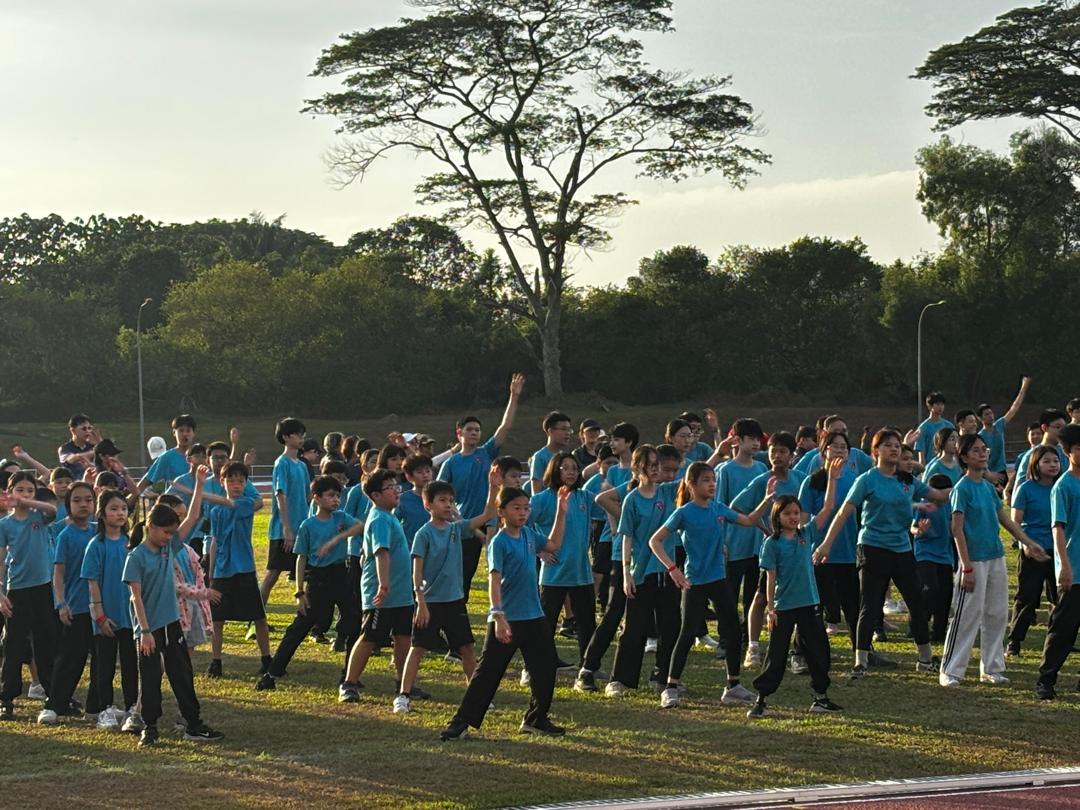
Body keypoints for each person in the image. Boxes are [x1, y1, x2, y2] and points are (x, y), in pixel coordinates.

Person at [814, 429, 951, 679]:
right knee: (870, 605)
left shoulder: (907, 481)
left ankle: (925, 659)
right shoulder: (867, 479)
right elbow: (844, 512)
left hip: (902, 549)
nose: (895, 449)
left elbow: (939, 497)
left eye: (897, 445)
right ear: (875, 452)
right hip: (872, 548)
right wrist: (826, 544)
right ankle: (861, 662)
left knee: (917, 604)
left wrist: (970, 480)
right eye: (888, 445)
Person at [439, 485, 571, 741]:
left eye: (526, 508)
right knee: (488, 673)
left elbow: (553, 545)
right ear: (501, 512)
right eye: (516, 508)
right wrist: (498, 615)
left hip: (534, 616)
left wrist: (561, 513)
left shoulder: (530, 536)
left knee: (545, 669)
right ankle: (461, 722)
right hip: (507, 619)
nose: (522, 513)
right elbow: (494, 579)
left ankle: (536, 719)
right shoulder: (498, 542)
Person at [646, 462, 776, 709]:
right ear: (692, 485)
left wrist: (767, 500)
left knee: (733, 631)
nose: (712, 484)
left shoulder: (718, 509)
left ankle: (733, 685)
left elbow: (748, 521)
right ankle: (671, 687)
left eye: (713, 479)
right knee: (687, 633)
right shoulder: (683, 512)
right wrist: (673, 570)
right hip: (695, 581)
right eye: (706, 480)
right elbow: (655, 541)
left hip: (718, 579)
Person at [940, 434, 1049, 687]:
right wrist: (966, 566)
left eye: (984, 450)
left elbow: (1007, 521)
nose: (983, 454)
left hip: (995, 558)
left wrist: (1030, 543)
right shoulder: (962, 488)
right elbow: (957, 529)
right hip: (973, 561)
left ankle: (992, 668)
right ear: (965, 457)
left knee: (996, 614)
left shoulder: (988, 488)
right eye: (976, 451)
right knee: (967, 615)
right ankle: (951, 670)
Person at [394, 469, 501, 714]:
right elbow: (416, 572)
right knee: (418, 648)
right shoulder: (424, 534)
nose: (448, 505)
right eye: (442, 500)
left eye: (451, 500)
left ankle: (477, 696)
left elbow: (487, 514)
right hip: (430, 602)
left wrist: (493, 488)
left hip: (454, 602)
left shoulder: (456, 529)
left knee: (466, 649)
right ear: (427, 504)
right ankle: (403, 694)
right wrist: (420, 602)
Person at [124, 497, 224, 747]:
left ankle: (193, 723)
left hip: (172, 623)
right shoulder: (136, 558)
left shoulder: (168, 549)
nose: (170, 537)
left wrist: (199, 485)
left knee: (182, 674)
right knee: (149, 678)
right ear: (151, 527)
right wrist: (145, 631)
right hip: (149, 628)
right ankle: (150, 727)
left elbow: (191, 518)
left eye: (172, 533)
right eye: (166, 532)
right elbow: (136, 597)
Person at [748, 462, 843, 720]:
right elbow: (770, 577)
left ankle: (821, 698)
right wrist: (771, 609)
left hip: (809, 603)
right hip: (784, 607)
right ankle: (762, 699)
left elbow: (828, 509)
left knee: (818, 650)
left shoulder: (806, 534)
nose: (793, 517)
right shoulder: (772, 543)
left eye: (796, 512)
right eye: (787, 513)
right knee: (776, 655)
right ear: (777, 516)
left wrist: (832, 480)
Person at [257, 476, 363, 692]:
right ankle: (273, 672)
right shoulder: (308, 525)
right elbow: (301, 558)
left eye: (338, 496)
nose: (336, 500)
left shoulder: (341, 518)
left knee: (354, 622)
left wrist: (335, 540)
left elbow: (360, 526)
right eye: (330, 496)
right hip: (319, 579)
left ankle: (350, 675)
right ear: (317, 498)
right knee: (300, 627)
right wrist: (299, 591)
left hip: (341, 575)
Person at [602, 445, 681, 696]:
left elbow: (692, 479)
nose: (656, 469)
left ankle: (663, 676)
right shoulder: (632, 499)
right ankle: (620, 679)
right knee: (634, 627)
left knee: (670, 626)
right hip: (641, 572)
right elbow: (626, 537)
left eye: (658, 464)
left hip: (668, 571)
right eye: (651, 465)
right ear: (638, 468)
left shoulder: (668, 492)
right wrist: (626, 574)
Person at [731, 431, 806, 669]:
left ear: (792, 455)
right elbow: (737, 508)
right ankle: (753, 647)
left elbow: (810, 509)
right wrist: (765, 528)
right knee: (762, 596)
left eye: (782, 451)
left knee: (797, 598)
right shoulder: (763, 480)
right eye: (773, 451)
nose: (777, 456)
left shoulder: (800, 480)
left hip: (798, 551)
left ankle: (797, 651)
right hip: (772, 550)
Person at [339, 469, 415, 703]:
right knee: (370, 636)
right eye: (389, 488)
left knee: (403, 637)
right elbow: (382, 553)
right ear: (375, 495)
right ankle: (349, 684)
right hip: (383, 593)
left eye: (396, 486)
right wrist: (383, 585)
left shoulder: (389, 516)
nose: (395, 491)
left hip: (400, 592)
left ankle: (404, 684)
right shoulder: (380, 518)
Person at [528, 453, 594, 678]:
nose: (571, 472)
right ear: (554, 471)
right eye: (565, 468)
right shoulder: (542, 498)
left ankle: (588, 666)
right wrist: (539, 550)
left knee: (587, 623)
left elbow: (608, 505)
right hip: (554, 573)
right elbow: (522, 525)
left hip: (581, 572)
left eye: (575, 468)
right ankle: (535, 667)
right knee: (545, 624)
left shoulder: (583, 497)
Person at [38, 482, 99, 725]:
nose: (83, 504)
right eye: (77, 500)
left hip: (102, 609)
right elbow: (59, 574)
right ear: (68, 505)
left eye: (88, 499)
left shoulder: (100, 532)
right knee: (70, 659)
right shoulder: (65, 536)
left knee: (101, 661)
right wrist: (61, 603)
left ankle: (97, 707)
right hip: (77, 607)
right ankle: (55, 704)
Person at [0, 472, 58, 721]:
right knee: (14, 644)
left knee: (45, 642)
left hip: (42, 589)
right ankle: (7, 698)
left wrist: (29, 502)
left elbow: (52, 509)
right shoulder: (5, 524)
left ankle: (53, 694)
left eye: (29, 490)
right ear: (9, 492)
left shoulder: (40, 517)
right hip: (18, 590)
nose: (24, 495)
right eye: (19, 490)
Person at [205, 461, 270, 678]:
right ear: (222, 482)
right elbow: (214, 540)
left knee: (259, 617)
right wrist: (211, 572)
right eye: (230, 480)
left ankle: (266, 659)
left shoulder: (246, 503)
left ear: (246, 484)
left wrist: (198, 492)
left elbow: (247, 503)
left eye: (240, 481)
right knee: (217, 620)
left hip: (245, 569)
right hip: (223, 570)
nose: (235, 484)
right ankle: (216, 661)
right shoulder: (215, 511)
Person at [81, 489, 137, 729]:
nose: (120, 513)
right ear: (102, 514)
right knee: (104, 667)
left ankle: (133, 707)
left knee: (130, 666)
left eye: (123, 508)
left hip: (131, 617)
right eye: (114, 509)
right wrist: (100, 617)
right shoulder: (96, 545)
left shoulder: (132, 542)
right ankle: (105, 709)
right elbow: (92, 583)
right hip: (106, 618)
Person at [715, 418, 768, 659]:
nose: (756, 444)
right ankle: (726, 639)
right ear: (738, 440)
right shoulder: (725, 470)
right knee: (728, 595)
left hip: (756, 542)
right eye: (751, 439)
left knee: (753, 595)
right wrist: (721, 541)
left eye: (759, 439)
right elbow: (719, 507)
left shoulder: (761, 470)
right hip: (732, 543)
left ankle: (749, 639)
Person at [799, 431, 859, 646]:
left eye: (844, 447)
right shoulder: (811, 482)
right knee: (813, 608)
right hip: (819, 554)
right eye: (834, 446)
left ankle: (862, 651)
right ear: (824, 452)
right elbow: (802, 521)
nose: (840, 450)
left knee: (853, 607)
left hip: (848, 553)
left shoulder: (855, 480)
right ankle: (802, 653)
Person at [1035, 423, 1080, 700]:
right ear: (1069, 452)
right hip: (1074, 568)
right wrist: (1063, 565)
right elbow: (1058, 528)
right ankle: (1045, 680)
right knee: (1063, 628)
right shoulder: (1063, 486)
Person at [1007, 446, 1061, 656]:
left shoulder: (1061, 487)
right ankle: (1014, 641)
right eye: (1047, 461)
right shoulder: (1026, 488)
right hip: (1033, 551)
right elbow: (1015, 523)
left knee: (1060, 598)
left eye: (1055, 461)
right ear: (1036, 464)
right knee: (1027, 598)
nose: (1052, 465)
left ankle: (1058, 640)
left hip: (1058, 551)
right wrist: (1026, 545)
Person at [261, 418, 311, 608]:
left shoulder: (302, 465)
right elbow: (281, 495)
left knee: (307, 574)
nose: (301, 438)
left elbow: (307, 496)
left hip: (302, 527)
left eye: (302, 434)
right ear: (286, 437)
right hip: (283, 530)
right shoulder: (281, 463)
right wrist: (287, 529)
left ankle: (307, 616)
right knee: (273, 573)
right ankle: (255, 618)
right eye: (297, 434)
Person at [912, 474, 955, 645]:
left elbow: (954, 528)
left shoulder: (950, 506)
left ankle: (939, 632)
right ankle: (918, 624)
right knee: (930, 589)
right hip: (925, 553)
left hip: (945, 554)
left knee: (945, 593)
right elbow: (913, 527)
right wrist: (920, 531)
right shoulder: (924, 506)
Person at [978, 376, 1031, 483]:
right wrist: (988, 474)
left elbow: (1014, 408)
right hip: (988, 474)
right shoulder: (980, 436)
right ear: (980, 418)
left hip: (1002, 472)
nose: (990, 416)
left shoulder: (999, 425)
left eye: (991, 413)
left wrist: (1024, 387)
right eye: (986, 414)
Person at [136, 414, 197, 494]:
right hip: (175, 504)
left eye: (188, 431)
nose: (185, 434)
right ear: (174, 433)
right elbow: (146, 481)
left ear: (193, 433)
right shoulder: (166, 457)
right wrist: (129, 501)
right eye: (181, 430)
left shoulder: (203, 455)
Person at [1013, 409, 1069, 489]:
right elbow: (1019, 486)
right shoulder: (1031, 455)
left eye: (1064, 428)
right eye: (1058, 427)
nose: (1063, 431)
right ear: (1044, 428)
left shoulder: (1067, 452)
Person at [529, 411, 573, 494]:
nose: (568, 433)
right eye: (563, 429)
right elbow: (535, 493)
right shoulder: (539, 457)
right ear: (550, 431)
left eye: (569, 429)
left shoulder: (566, 456)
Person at [915, 392, 954, 466]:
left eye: (942, 404)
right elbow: (921, 456)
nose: (940, 407)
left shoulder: (949, 426)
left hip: (948, 465)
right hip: (931, 467)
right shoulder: (923, 428)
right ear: (929, 406)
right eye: (937, 404)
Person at [58, 413, 98, 482]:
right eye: (84, 429)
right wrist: (96, 451)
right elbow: (70, 459)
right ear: (73, 431)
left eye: (89, 428)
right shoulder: (65, 448)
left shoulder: (93, 447)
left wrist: (99, 444)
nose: (87, 432)